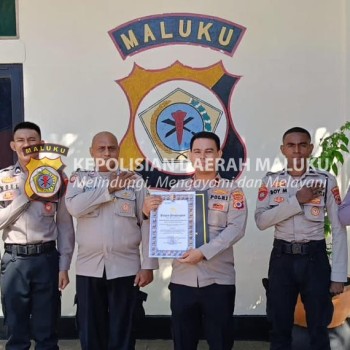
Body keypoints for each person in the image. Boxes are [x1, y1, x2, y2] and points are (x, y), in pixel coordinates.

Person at [144, 131, 247, 350]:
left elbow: (236, 229)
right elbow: (163, 229)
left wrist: (204, 252)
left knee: (220, 342)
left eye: (209, 151)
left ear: (219, 154)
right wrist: (148, 212)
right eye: (197, 152)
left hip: (218, 280)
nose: (203, 157)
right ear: (190, 155)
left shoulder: (232, 190)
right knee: (183, 342)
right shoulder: (176, 191)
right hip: (183, 280)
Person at [255, 127, 348, 350]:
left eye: (302, 145)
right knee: (279, 326)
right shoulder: (271, 181)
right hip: (281, 259)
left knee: (319, 327)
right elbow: (261, 221)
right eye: (291, 145)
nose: (296, 150)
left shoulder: (325, 180)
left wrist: (338, 276)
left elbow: (338, 229)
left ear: (310, 149)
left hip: (314, 259)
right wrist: (297, 201)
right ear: (283, 150)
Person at [65, 131, 158, 350]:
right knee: (90, 331)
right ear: (92, 152)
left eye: (112, 148)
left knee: (124, 331)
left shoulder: (134, 181)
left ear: (118, 150)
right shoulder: (80, 179)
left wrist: (148, 265)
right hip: (89, 268)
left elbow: (146, 221)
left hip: (125, 268)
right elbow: (74, 208)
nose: (107, 153)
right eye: (101, 148)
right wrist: (108, 188)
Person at [0, 121, 75, 350]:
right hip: (14, 260)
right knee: (16, 330)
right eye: (21, 140)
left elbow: (64, 225)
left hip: (46, 259)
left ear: (40, 144)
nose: (26, 145)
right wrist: (24, 197)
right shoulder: (3, 178)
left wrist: (64, 266)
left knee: (47, 330)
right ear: (13, 145)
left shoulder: (55, 178)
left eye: (32, 140)